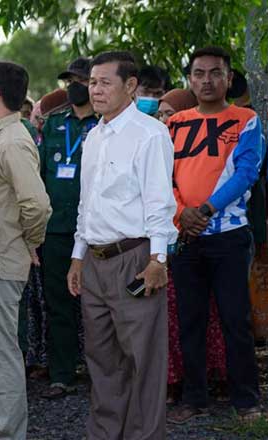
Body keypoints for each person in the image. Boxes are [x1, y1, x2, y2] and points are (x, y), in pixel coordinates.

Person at [66, 51, 177, 439]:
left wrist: (158, 260)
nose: (94, 90)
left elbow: (160, 202)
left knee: (143, 361)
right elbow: (87, 203)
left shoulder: (150, 133)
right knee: (101, 361)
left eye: (104, 82)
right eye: (92, 82)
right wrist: (78, 257)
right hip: (95, 262)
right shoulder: (94, 136)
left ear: (130, 86)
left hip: (135, 258)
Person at [167, 46, 264, 424]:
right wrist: (181, 214)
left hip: (228, 235)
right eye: (199, 73)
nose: (207, 80)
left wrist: (205, 210)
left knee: (235, 320)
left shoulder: (246, 119)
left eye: (215, 73)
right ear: (189, 79)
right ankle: (194, 399)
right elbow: (163, 177)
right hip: (185, 236)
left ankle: (247, 401)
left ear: (228, 78)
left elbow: (246, 173)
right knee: (189, 320)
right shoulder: (174, 124)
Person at [0, 61, 52, 439]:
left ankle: (8, 432)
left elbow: (36, 204)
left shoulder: (14, 140)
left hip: (1, 261)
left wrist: (29, 241)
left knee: (1, 352)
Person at [154, 87, 228, 403]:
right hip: (164, 246)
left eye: (169, 113)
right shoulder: (155, 148)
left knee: (210, 317)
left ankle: (216, 377)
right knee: (171, 318)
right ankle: (174, 381)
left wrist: (189, 218)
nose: (164, 120)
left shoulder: (203, 151)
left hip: (203, 241)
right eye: (159, 114)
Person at [39, 57, 99, 400]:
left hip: (98, 230)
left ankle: (101, 374)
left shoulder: (105, 122)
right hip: (57, 229)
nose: (72, 86)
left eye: (79, 80)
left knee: (99, 306)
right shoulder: (53, 124)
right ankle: (62, 374)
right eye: (69, 80)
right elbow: (42, 174)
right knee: (58, 303)